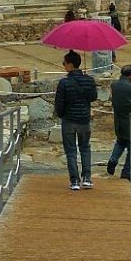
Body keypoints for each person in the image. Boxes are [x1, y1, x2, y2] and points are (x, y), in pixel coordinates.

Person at [54, 50, 97, 189]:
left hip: (69, 120)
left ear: (71, 65)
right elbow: (93, 97)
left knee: (71, 151)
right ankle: (87, 178)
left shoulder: (64, 83)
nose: (63, 65)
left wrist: (61, 115)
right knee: (85, 148)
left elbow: (59, 103)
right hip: (84, 119)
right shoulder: (89, 80)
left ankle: (74, 181)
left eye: (64, 63)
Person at [106, 64, 131, 178]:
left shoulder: (114, 85)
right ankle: (126, 172)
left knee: (120, 142)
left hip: (119, 121)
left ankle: (113, 160)